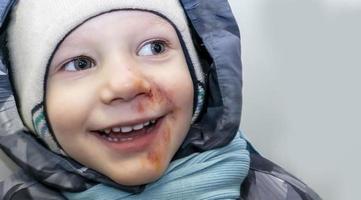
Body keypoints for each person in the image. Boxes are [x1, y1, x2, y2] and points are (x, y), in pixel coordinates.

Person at [0, 0, 321, 199]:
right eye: (80, 63)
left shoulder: (277, 193)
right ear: (29, 110)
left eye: (154, 47)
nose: (126, 84)